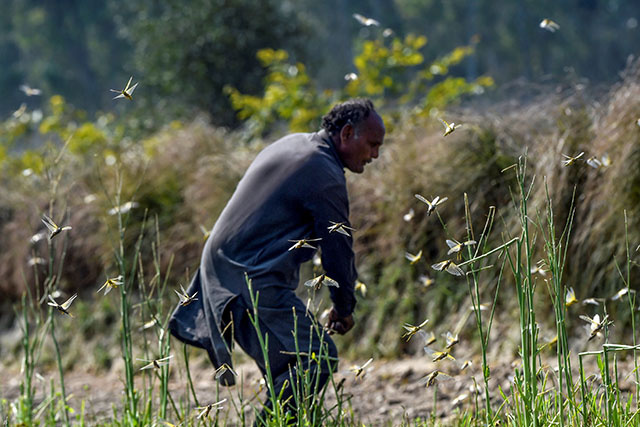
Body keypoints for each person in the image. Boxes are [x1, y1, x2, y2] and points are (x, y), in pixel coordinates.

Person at [169, 98, 385, 421]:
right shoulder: (324, 173)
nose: (375, 156)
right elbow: (338, 249)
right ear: (347, 133)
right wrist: (344, 307)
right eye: (372, 145)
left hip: (225, 267)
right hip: (248, 276)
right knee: (316, 358)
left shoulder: (295, 144)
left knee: (294, 368)